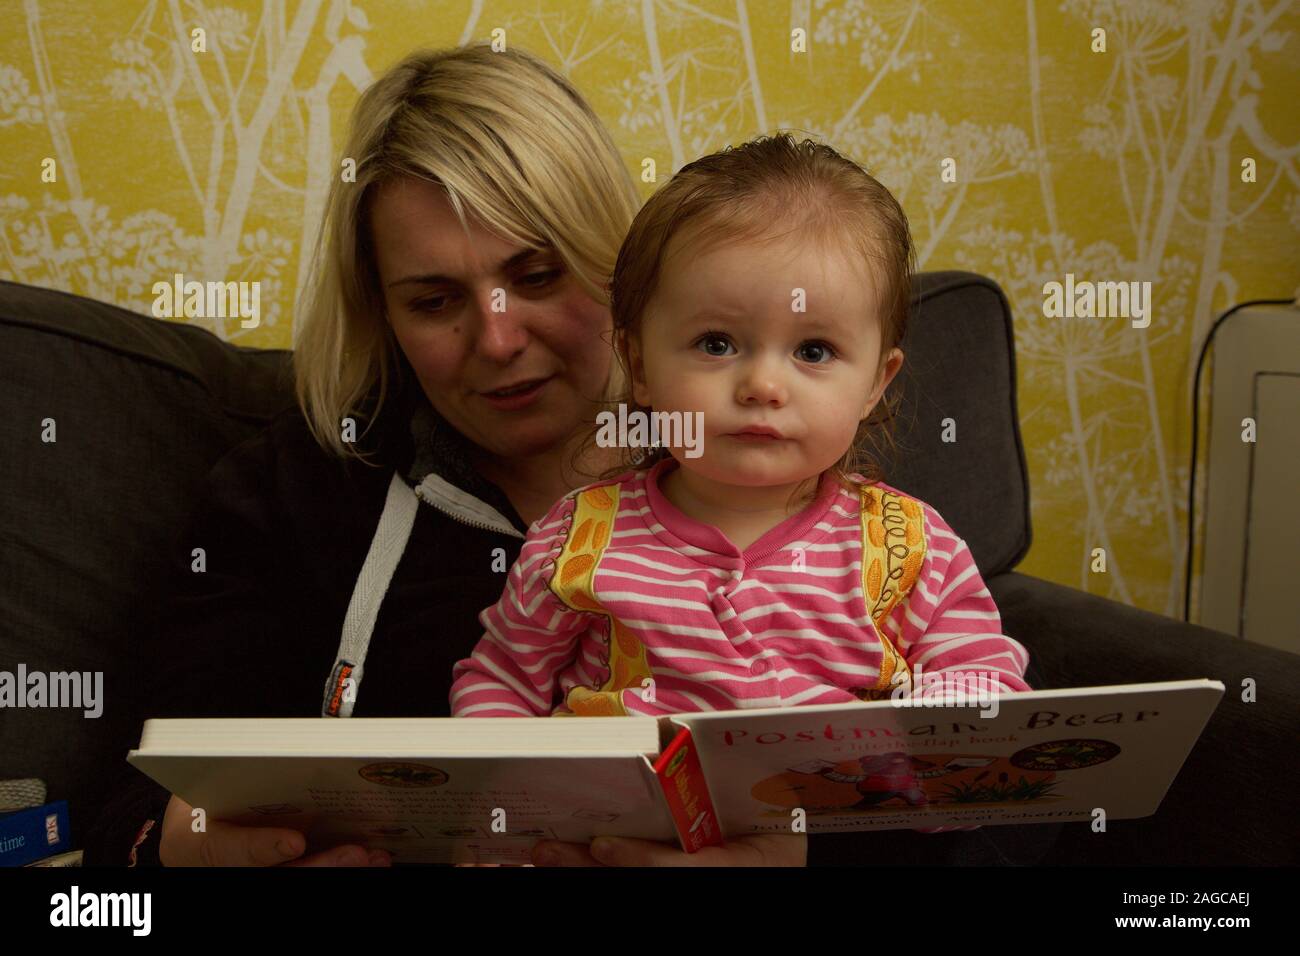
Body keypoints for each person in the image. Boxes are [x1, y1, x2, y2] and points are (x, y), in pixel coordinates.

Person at [86, 44, 1053, 868]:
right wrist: (177, 841)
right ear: (380, 313)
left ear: (618, 271)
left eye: (536, 274)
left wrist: (814, 852)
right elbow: (133, 793)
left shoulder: (825, 491)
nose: (498, 339)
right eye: (434, 300)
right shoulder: (295, 493)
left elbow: (995, 786)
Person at [448, 134, 1028, 835]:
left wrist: (942, 755)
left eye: (814, 351)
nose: (762, 385)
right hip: (608, 835)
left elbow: (980, 684)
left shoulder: (911, 548)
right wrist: (504, 806)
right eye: (717, 344)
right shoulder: (579, 539)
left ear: (877, 381)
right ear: (638, 362)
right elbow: (501, 680)